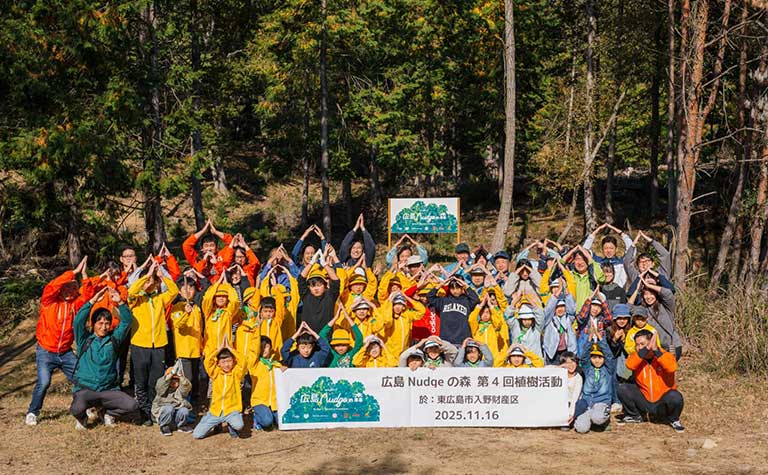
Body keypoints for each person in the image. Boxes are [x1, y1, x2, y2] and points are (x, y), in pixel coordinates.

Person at [26, 257, 94, 426]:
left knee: (81, 379)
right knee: (44, 382)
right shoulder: (49, 301)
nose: (73, 289)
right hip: (46, 351)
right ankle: (32, 412)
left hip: (65, 351)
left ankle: (84, 408)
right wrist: (74, 273)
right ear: (62, 287)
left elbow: (88, 296)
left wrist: (84, 276)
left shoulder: (75, 304)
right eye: (69, 286)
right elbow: (51, 286)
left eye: (74, 286)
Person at [69, 287, 138, 430]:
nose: (104, 327)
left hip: (108, 389)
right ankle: (83, 419)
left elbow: (127, 322)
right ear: (93, 324)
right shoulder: (85, 340)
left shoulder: (114, 339)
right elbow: (77, 322)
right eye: (100, 323)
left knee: (132, 405)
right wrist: (92, 302)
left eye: (107, 323)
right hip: (86, 388)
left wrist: (119, 302)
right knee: (76, 409)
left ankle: (108, 414)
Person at [127, 261, 179, 426]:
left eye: (152, 282)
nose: (150, 284)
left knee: (155, 381)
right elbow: (131, 290)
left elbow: (174, 290)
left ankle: (154, 411)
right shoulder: (136, 300)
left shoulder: (160, 299)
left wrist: (162, 276)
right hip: (140, 345)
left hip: (158, 345)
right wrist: (147, 275)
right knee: (141, 381)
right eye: (147, 281)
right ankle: (144, 413)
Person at [618, 330, 685, 433]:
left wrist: (656, 351)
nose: (639, 347)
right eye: (637, 344)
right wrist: (645, 349)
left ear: (652, 343)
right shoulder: (637, 357)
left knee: (675, 396)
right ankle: (635, 416)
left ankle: (673, 419)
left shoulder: (664, 354)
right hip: (645, 401)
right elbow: (629, 365)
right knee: (623, 388)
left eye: (643, 344)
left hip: (661, 403)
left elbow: (672, 368)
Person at [193, 342, 246, 439]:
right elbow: (207, 361)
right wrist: (218, 349)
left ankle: (231, 426)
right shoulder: (215, 373)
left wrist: (231, 349)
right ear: (218, 363)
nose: (226, 365)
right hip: (215, 411)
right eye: (223, 362)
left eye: (229, 361)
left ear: (233, 361)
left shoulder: (236, 373)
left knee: (239, 425)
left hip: (231, 410)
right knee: (197, 435)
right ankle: (216, 424)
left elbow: (243, 362)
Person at [573, 337, 615, 434]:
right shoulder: (588, 369)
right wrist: (589, 339)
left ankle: (604, 420)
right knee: (581, 429)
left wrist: (601, 340)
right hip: (587, 404)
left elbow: (609, 356)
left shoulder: (608, 369)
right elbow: (584, 358)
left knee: (598, 418)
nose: (597, 361)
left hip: (602, 402)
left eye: (600, 358)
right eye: (594, 357)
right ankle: (587, 418)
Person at [636, 277, 682, 360]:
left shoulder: (666, 305)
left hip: (672, 345)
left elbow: (668, 293)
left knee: (669, 370)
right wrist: (637, 289)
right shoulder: (643, 309)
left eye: (651, 293)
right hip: (656, 347)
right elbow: (629, 307)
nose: (648, 297)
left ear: (656, 294)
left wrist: (649, 285)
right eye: (646, 294)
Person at [297, 246, 341, 332]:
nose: (316, 288)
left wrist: (324, 264)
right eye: (313, 286)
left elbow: (336, 281)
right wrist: (312, 262)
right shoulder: (306, 296)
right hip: (308, 337)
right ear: (309, 287)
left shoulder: (330, 296)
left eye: (319, 285)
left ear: (325, 285)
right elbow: (301, 279)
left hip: (325, 337)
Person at [426, 277, 480, 346]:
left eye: (457, 288)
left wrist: (466, 285)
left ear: (462, 288)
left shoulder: (467, 301)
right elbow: (429, 296)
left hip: (463, 340)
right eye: (452, 288)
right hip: (446, 339)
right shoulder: (443, 300)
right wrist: (441, 284)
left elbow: (476, 299)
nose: (455, 291)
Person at [583, 223, 634, 288]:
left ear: (616, 249)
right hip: (600, 294)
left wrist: (620, 232)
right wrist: (596, 231)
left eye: (611, 248)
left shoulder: (622, 262)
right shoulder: (597, 262)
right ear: (602, 249)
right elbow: (585, 251)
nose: (608, 251)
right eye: (606, 248)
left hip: (618, 294)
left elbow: (631, 249)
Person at [201, 274, 241, 359]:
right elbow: (207, 298)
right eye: (218, 296)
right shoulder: (208, 312)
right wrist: (217, 284)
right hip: (210, 350)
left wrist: (227, 285)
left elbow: (235, 301)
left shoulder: (228, 312)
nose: (221, 298)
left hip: (225, 351)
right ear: (214, 299)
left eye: (224, 296)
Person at [249, 335, 283, 431]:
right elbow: (252, 351)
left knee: (281, 422)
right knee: (267, 421)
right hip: (260, 401)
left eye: (266, 346)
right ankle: (257, 417)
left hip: (274, 402)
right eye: (261, 347)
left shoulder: (276, 365)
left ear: (271, 348)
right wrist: (257, 329)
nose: (263, 349)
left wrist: (284, 370)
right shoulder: (254, 365)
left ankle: (271, 414)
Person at [625, 231, 675, 295]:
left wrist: (650, 241)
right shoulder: (635, 276)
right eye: (641, 262)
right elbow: (627, 262)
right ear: (637, 266)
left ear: (653, 263)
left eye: (647, 261)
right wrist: (633, 244)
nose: (644, 263)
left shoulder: (661, 273)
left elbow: (665, 255)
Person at [379, 292, 426, 358]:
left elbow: (422, 310)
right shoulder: (389, 316)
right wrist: (389, 301)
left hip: (404, 352)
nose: (398, 307)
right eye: (395, 304)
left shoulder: (407, 315)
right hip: (390, 353)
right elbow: (387, 321)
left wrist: (407, 297)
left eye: (400, 304)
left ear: (404, 306)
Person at [152, 362, 193, 436]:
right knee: (169, 408)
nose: (174, 382)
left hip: (176, 413)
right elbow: (160, 386)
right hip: (164, 412)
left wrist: (180, 376)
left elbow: (186, 386)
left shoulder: (180, 389)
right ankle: (164, 426)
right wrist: (170, 375)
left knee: (184, 410)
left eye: (176, 380)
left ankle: (181, 425)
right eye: (172, 380)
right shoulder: (162, 389)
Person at [542, 282, 577, 365]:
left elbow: (572, 309)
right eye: (557, 307)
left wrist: (567, 292)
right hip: (552, 354)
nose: (560, 309)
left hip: (566, 352)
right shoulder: (549, 319)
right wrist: (556, 295)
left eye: (562, 306)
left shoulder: (568, 318)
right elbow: (548, 310)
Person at [468, 295, 509, 359]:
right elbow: (471, 319)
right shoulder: (476, 326)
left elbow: (498, 321)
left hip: (493, 357)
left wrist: (491, 306)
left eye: (487, 312)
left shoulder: (494, 326)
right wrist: (480, 306)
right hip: (480, 358)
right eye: (482, 312)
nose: (485, 315)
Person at [575, 290, 613, 357]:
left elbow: (609, 319)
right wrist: (589, 299)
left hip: (598, 349)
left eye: (599, 307)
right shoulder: (584, 318)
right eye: (594, 305)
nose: (595, 309)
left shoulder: (601, 319)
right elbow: (582, 317)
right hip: (584, 349)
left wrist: (603, 301)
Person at [559, 352, 583, 425]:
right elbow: (547, 369)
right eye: (567, 363)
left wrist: (571, 413)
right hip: (561, 402)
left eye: (573, 362)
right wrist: (559, 367)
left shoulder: (578, 378)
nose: (571, 365)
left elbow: (575, 397)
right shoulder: (559, 374)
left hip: (573, 404)